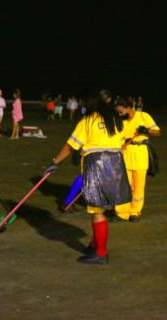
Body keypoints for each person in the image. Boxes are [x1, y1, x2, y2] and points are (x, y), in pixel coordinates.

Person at [45, 94, 132, 265]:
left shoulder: (88, 120)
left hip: (97, 165)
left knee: (97, 211)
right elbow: (124, 139)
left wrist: (55, 162)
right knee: (104, 207)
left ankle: (101, 253)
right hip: (115, 165)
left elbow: (71, 145)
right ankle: (95, 244)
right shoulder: (114, 120)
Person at [114, 98, 161, 222]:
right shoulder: (120, 122)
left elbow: (157, 131)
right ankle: (121, 213)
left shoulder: (143, 116)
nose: (119, 114)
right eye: (118, 112)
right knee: (123, 186)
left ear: (129, 108)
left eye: (120, 111)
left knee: (138, 186)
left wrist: (146, 130)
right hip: (125, 154)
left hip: (140, 154)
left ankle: (135, 212)